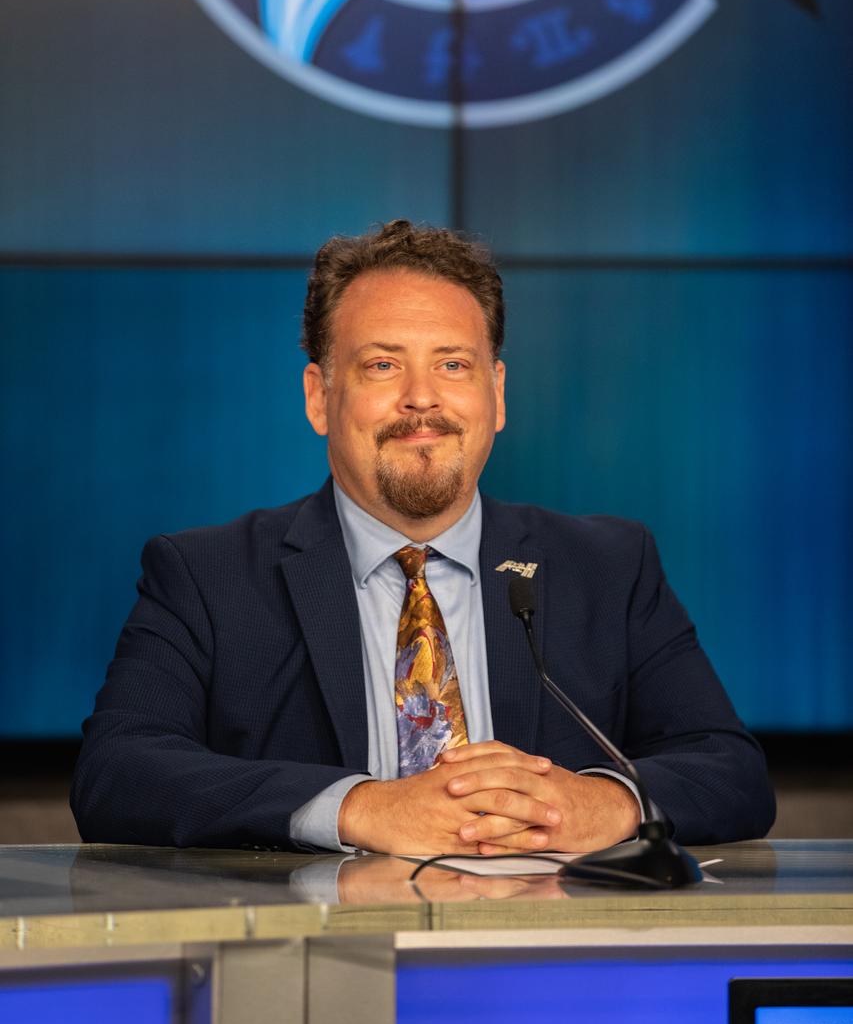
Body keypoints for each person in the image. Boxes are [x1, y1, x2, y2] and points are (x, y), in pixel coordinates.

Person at [71, 220, 775, 854]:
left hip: (552, 959)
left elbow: (731, 772)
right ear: (320, 396)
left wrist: (603, 802)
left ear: (495, 395)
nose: (422, 398)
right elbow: (116, 773)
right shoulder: (206, 574)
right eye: (381, 364)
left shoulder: (609, 566)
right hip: (316, 966)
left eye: (452, 364)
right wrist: (359, 808)